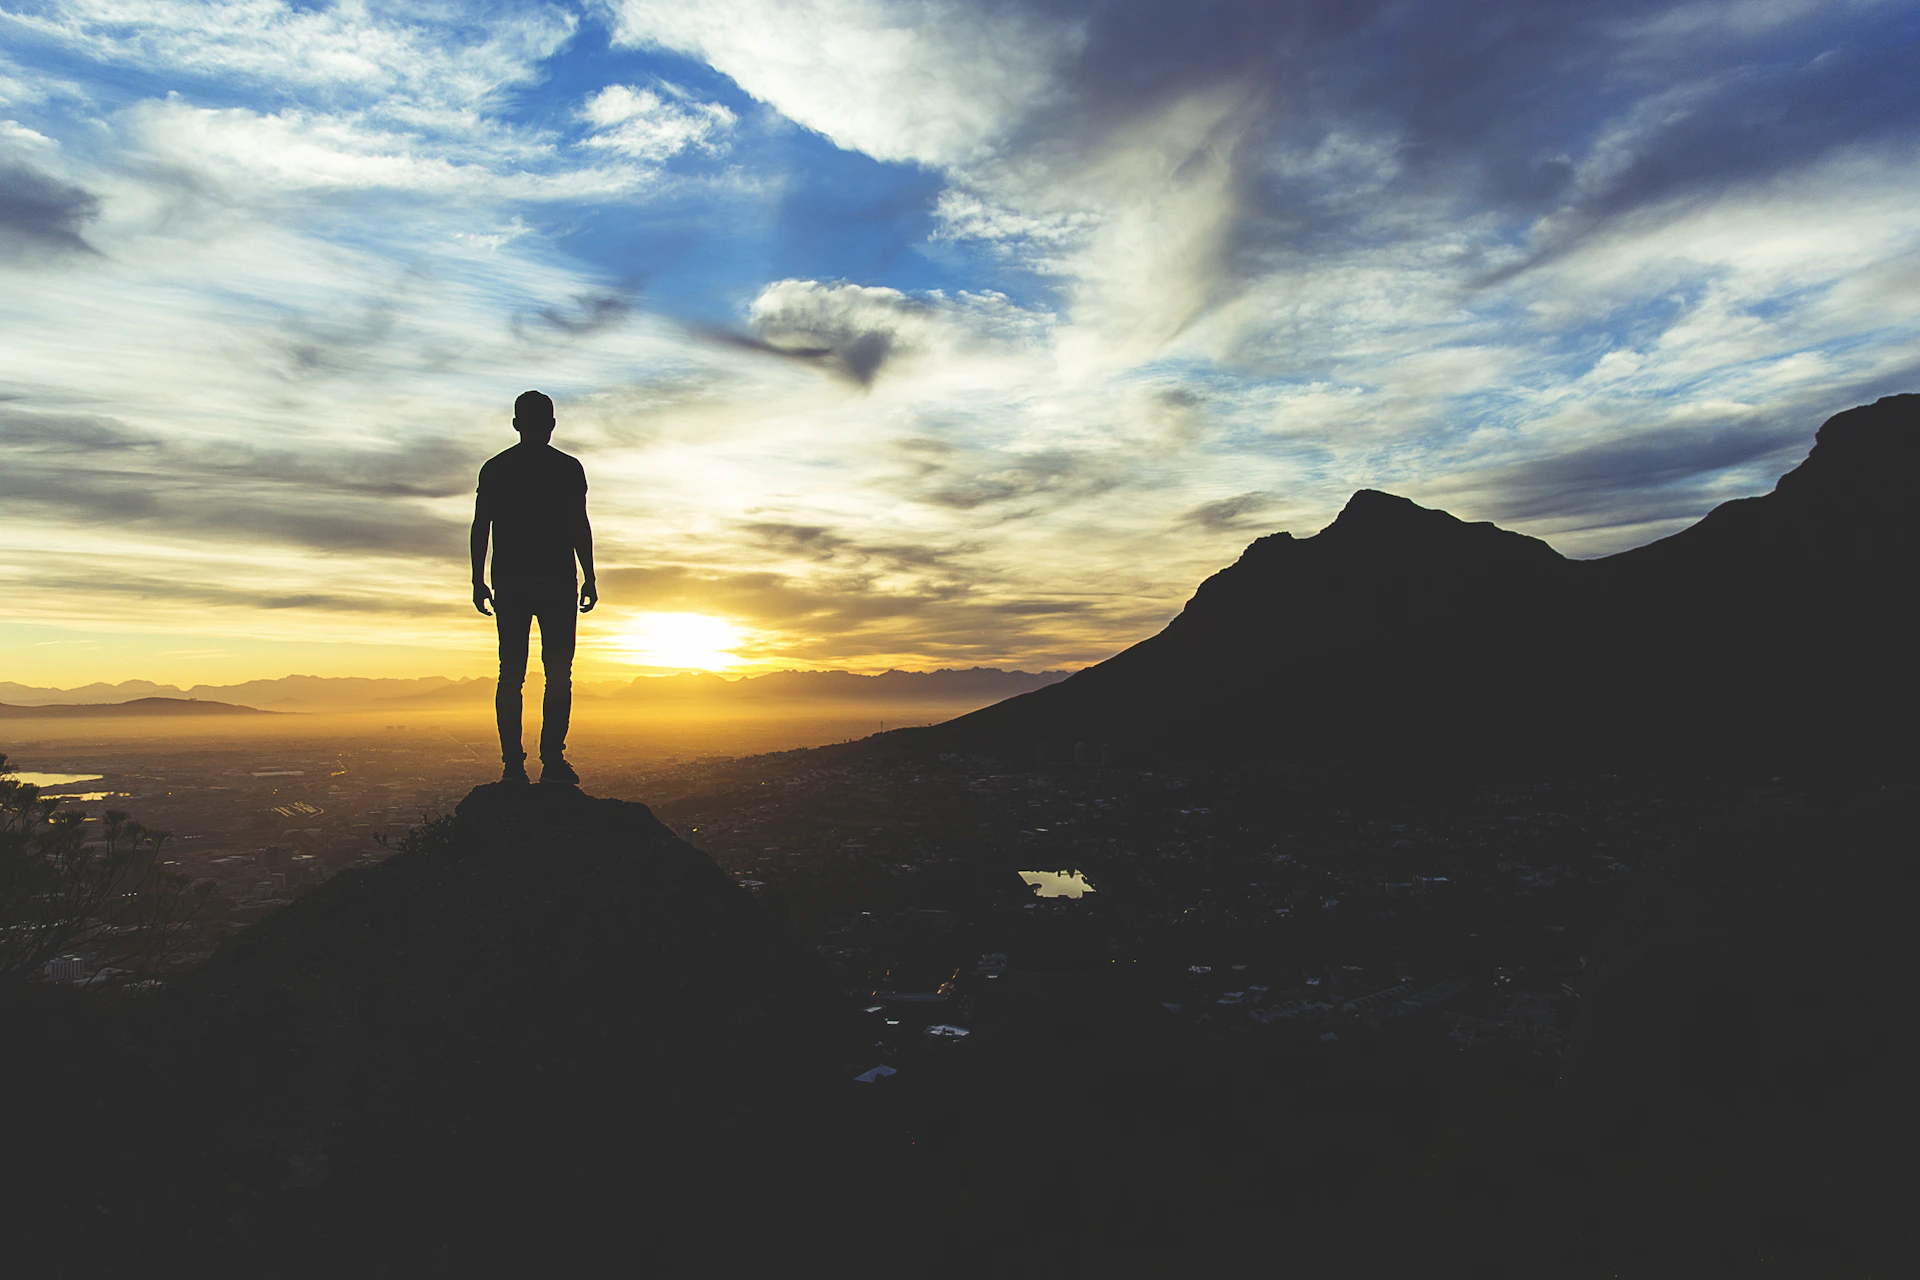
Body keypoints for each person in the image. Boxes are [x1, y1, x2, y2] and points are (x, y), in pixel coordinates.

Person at [471, 390, 598, 784]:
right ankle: (552, 760)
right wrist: (589, 575)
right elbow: (579, 524)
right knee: (557, 673)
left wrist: (477, 580)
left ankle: (514, 765)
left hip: (511, 583)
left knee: (511, 673)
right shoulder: (567, 468)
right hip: (557, 581)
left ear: (516, 424)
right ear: (552, 425)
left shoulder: (496, 468)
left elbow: (481, 527)